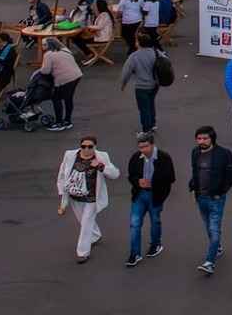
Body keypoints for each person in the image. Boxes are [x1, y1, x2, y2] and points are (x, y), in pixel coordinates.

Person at [56, 133, 121, 264]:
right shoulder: (70, 155)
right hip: (75, 197)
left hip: (91, 198)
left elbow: (115, 174)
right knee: (83, 221)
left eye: (89, 146)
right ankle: (96, 236)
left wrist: (101, 167)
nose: (86, 149)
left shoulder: (102, 157)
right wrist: (61, 191)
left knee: (86, 223)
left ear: (95, 147)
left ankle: (82, 252)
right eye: (83, 146)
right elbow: (63, 173)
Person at [187, 125, 232, 276]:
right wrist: (192, 186)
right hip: (200, 197)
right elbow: (195, 171)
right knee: (208, 225)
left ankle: (209, 262)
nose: (201, 141)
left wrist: (221, 192)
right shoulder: (195, 152)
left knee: (214, 229)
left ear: (212, 139)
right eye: (199, 138)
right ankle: (217, 247)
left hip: (216, 198)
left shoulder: (224, 154)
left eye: (205, 138)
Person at [124, 131, 174, 268]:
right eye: (140, 147)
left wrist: (153, 184)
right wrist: (137, 182)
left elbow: (170, 178)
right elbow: (131, 176)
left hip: (156, 195)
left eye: (145, 146)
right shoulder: (135, 157)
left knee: (155, 220)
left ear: (152, 144)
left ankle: (156, 244)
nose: (143, 150)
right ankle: (135, 253)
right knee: (134, 224)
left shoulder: (164, 158)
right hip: (139, 195)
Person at [118, 32, 165, 133]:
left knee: (144, 108)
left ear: (138, 43)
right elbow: (166, 62)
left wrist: (123, 84)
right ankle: (152, 124)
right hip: (155, 85)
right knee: (151, 103)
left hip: (141, 87)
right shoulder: (156, 52)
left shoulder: (134, 56)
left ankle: (146, 129)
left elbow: (126, 71)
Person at [39, 38, 85, 131]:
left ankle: (59, 123)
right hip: (76, 75)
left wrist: (40, 70)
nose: (42, 46)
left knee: (56, 98)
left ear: (49, 45)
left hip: (64, 79)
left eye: (44, 45)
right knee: (68, 98)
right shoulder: (65, 50)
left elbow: (45, 71)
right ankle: (67, 121)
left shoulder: (48, 54)